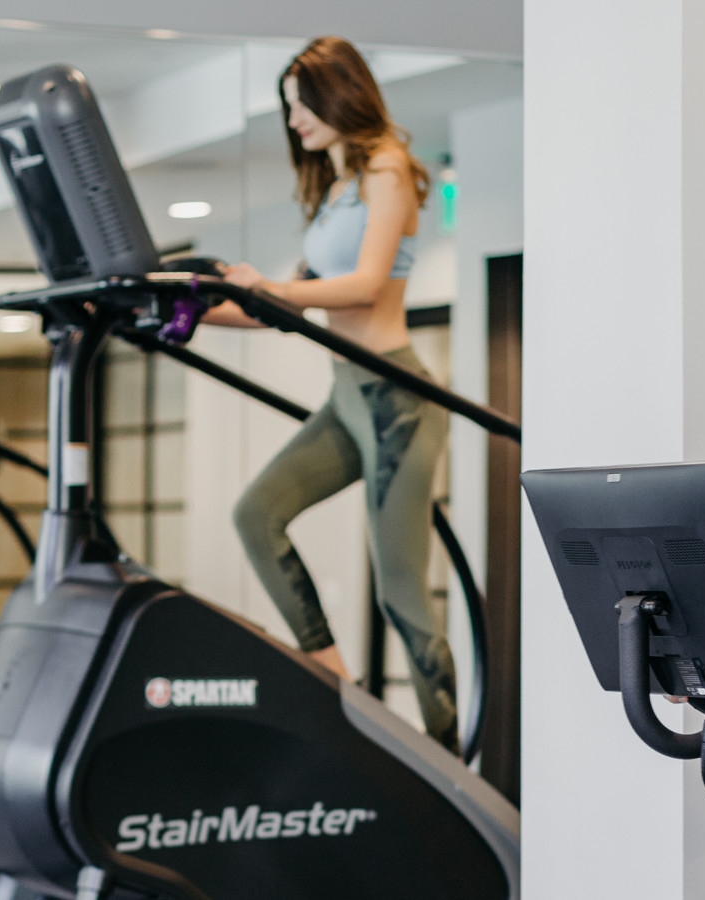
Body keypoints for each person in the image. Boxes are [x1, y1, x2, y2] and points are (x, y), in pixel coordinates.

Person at [207, 36, 456, 749]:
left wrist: (273, 287)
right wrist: (185, 314)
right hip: (347, 395)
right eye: (288, 109)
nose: (294, 122)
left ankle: (455, 760)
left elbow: (367, 284)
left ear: (337, 93)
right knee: (257, 515)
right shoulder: (339, 188)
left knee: (400, 592)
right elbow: (284, 307)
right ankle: (335, 687)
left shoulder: (388, 169)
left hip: (397, 400)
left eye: (300, 105)